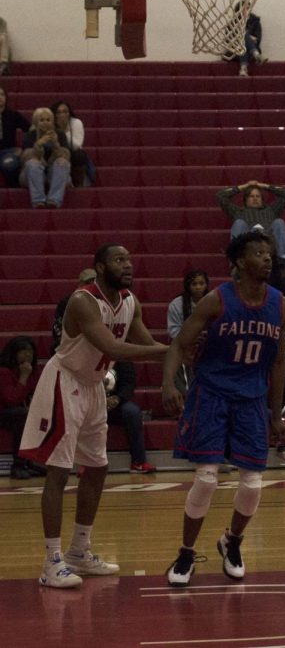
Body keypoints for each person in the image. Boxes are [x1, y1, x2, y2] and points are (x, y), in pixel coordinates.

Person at [19, 244, 169, 588]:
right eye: (119, 260)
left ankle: (78, 551)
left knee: (98, 467)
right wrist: (171, 350)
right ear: (100, 267)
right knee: (58, 471)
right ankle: (51, 561)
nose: (128, 265)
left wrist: (180, 354)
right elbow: (114, 348)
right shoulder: (82, 301)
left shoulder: (130, 301)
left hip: (94, 386)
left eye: (130, 259)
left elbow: (147, 344)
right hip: (65, 381)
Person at [162, 232, 285, 587]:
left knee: (252, 483)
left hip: (251, 398)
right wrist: (169, 384)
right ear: (239, 262)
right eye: (258, 253)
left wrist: (275, 414)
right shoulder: (215, 301)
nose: (267, 258)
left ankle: (231, 541)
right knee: (206, 478)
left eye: (269, 253)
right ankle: (186, 552)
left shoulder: (281, 305)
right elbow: (178, 344)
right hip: (212, 394)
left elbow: (278, 364)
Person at [0, 336, 43, 479]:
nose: (28, 355)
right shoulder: (4, 371)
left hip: (17, 413)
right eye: (23, 351)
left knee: (37, 414)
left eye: (30, 351)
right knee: (22, 414)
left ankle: (29, 461)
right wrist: (24, 377)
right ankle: (18, 465)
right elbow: (11, 400)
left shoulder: (32, 371)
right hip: (4, 411)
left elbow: (36, 394)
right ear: (13, 353)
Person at [101, 360, 155, 473]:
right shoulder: (90, 353)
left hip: (115, 403)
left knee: (133, 412)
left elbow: (129, 383)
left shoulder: (122, 356)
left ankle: (138, 462)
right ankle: (87, 463)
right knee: (84, 413)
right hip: (92, 401)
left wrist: (117, 398)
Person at [216, 179, 285, 259]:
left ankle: (284, 260)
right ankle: (237, 259)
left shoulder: (272, 210)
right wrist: (245, 186)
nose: (255, 199)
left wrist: (262, 186)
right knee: (239, 223)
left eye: (258, 196)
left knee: (279, 222)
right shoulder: (237, 211)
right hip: (248, 241)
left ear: (262, 199)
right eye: (251, 196)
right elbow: (220, 196)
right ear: (245, 199)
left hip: (268, 240)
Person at [20, 107, 71, 208]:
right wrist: (38, 145)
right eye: (41, 120)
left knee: (62, 162)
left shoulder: (60, 134)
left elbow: (66, 157)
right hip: (31, 176)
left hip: (55, 175)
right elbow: (25, 159)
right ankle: (38, 202)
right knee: (33, 163)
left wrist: (56, 144)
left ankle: (54, 201)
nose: (45, 123)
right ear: (36, 122)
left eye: (48, 120)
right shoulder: (29, 135)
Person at [51, 268, 98, 354]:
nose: (91, 286)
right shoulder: (66, 302)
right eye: (87, 283)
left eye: (94, 283)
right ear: (80, 284)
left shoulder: (104, 302)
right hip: (72, 344)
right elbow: (57, 328)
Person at [50, 101, 93, 187]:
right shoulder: (49, 123)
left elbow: (77, 145)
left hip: (72, 153)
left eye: (65, 111)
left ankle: (78, 183)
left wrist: (63, 131)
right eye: (59, 112)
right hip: (54, 153)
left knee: (80, 154)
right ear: (54, 114)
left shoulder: (76, 122)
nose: (63, 114)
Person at [0, 86, 30, 186]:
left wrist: (23, 148)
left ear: (6, 98)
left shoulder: (13, 115)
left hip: (8, 151)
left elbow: (30, 130)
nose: (0, 97)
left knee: (9, 165)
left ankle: (14, 193)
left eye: (2, 94)